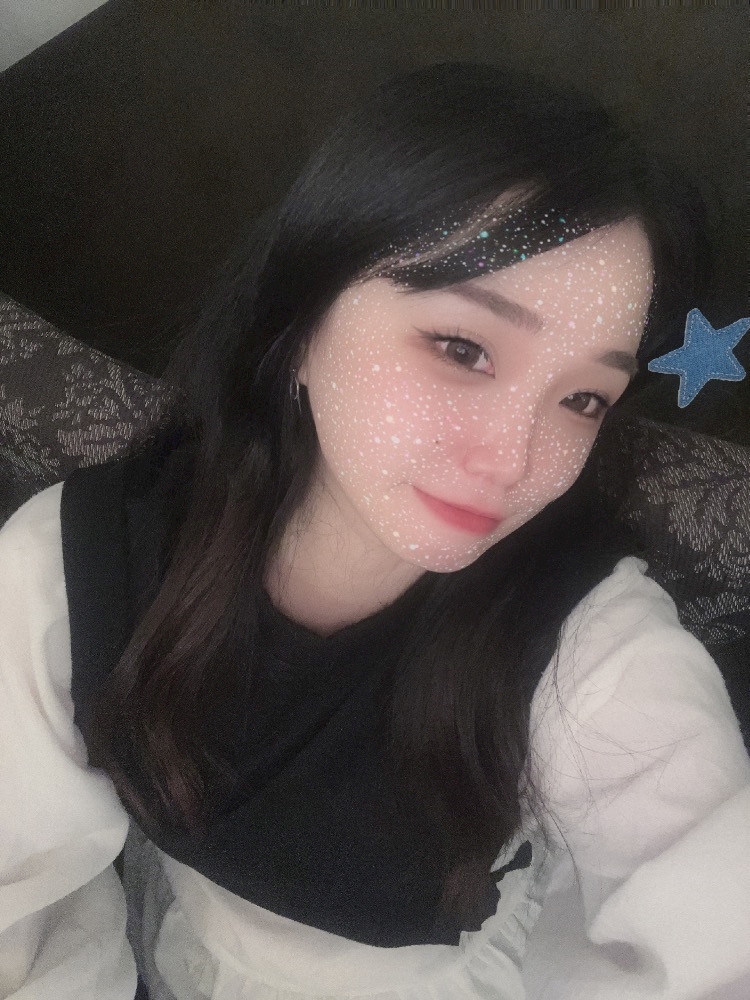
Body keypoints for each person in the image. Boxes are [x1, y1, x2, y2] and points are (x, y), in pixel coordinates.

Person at [1, 62, 749, 1000]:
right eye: (463, 348)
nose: (514, 458)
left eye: (583, 398)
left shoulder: (590, 652)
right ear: (299, 324)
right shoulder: (79, 570)